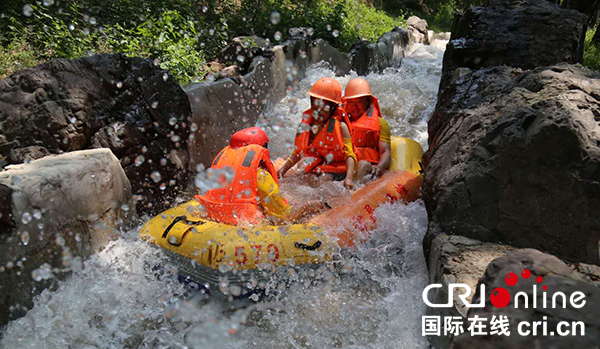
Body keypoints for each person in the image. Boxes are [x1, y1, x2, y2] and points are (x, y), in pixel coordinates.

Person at [195, 127, 325, 225]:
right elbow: (282, 216)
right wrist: (307, 206)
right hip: (244, 224)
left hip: (215, 216)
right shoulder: (261, 175)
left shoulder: (223, 167)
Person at [277, 77, 357, 189]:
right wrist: (283, 169)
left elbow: (350, 155)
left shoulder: (341, 127)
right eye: (315, 107)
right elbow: (299, 151)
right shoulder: (308, 125)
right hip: (322, 165)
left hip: (339, 168)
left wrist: (349, 178)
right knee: (301, 176)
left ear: (333, 108)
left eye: (323, 108)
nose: (318, 112)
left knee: (321, 180)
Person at [342, 77, 391, 181]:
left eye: (359, 102)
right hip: (344, 167)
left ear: (368, 101)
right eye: (350, 102)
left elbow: (385, 152)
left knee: (362, 165)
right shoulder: (340, 123)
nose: (354, 107)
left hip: (367, 167)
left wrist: (380, 167)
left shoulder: (381, 124)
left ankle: (355, 194)